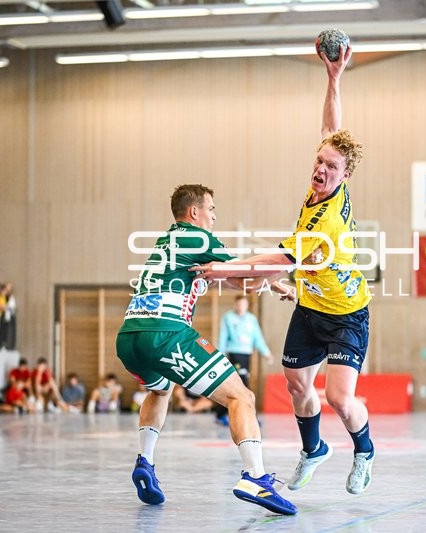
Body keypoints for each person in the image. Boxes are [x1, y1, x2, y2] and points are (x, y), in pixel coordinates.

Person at [198, 43, 373, 495]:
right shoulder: (324, 183)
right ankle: (313, 450)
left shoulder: (326, 221)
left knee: (338, 397)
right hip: (311, 304)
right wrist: (334, 77)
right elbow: (332, 129)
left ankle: (365, 450)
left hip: (347, 311)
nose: (320, 168)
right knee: (296, 384)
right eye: (319, 160)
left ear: (344, 176)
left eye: (330, 166)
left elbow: (279, 259)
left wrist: (220, 270)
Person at [115, 184, 296, 514]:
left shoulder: (168, 241)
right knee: (241, 397)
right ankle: (255, 478)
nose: (214, 216)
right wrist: (287, 265)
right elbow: (245, 275)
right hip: (165, 333)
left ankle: (146, 461)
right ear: (194, 212)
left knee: (160, 391)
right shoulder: (200, 239)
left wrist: (277, 285)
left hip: (129, 337)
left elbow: (228, 278)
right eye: (211, 209)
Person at [213, 295, 273, 425]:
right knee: (241, 384)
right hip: (234, 354)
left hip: (246, 354)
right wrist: (220, 355)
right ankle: (247, 416)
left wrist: (266, 353)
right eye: (238, 305)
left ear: (247, 306)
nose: (240, 308)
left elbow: (257, 338)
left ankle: (222, 414)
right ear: (235, 305)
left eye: (243, 305)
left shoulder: (251, 319)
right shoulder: (228, 317)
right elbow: (223, 337)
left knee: (238, 384)